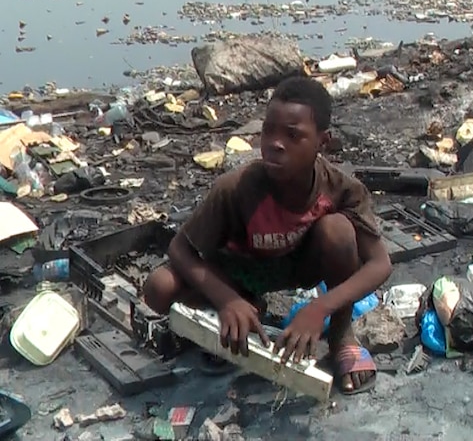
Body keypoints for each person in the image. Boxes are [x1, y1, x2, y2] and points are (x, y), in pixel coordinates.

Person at [143, 75, 392, 394]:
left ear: (322, 142)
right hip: (241, 273)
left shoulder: (341, 189)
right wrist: (227, 299)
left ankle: (341, 336)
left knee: (339, 231)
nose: (275, 143)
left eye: (292, 135)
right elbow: (180, 249)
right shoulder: (236, 188)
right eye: (268, 131)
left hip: (300, 266)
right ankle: (240, 314)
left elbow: (379, 264)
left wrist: (320, 308)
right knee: (158, 287)